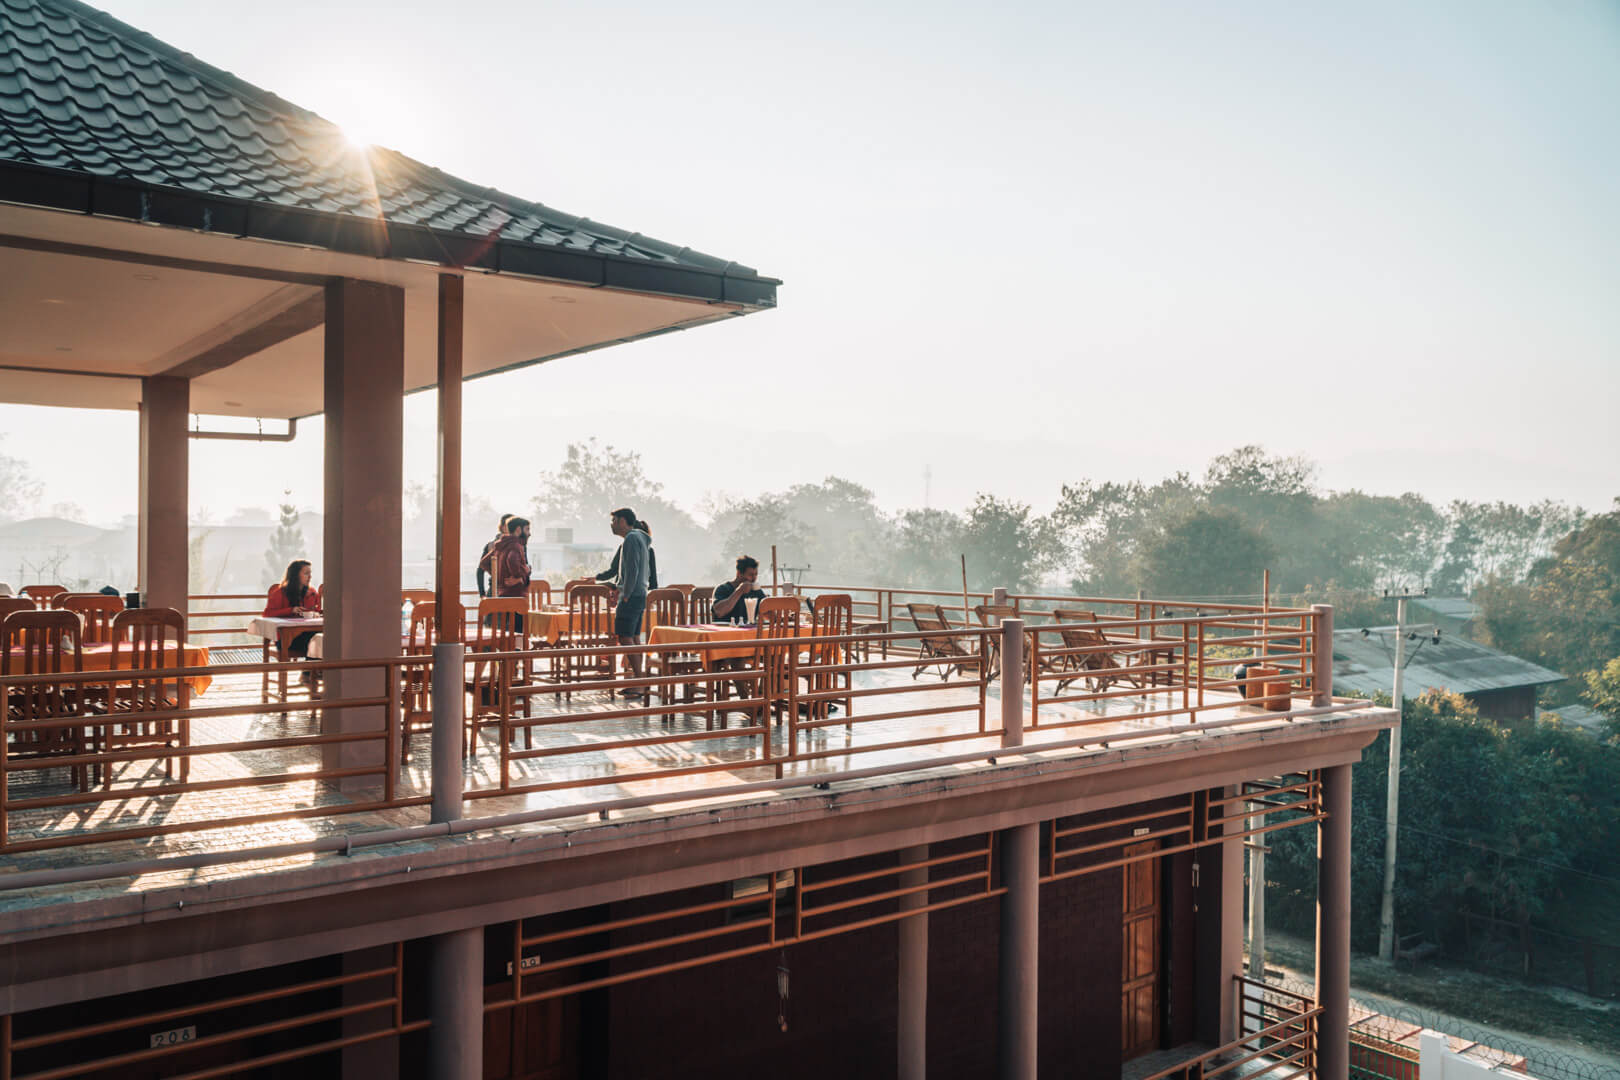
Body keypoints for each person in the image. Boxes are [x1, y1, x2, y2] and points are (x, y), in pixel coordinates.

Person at [608, 508, 650, 696]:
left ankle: (640, 681)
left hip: (632, 595)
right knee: (633, 638)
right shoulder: (640, 538)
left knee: (625, 637)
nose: (612, 524)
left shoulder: (632, 539)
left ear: (623, 521)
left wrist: (625, 594)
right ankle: (639, 680)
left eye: (614, 520)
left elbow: (632, 569)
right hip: (640, 593)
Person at [263, 559, 321, 663]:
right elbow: (267, 614)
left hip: (308, 634)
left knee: (320, 639)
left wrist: (315, 614)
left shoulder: (312, 592)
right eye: (306, 573)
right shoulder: (280, 593)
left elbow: (317, 610)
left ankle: (312, 670)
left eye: (310, 573)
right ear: (295, 575)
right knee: (315, 641)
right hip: (286, 638)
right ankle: (310, 670)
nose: (310, 577)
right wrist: (290, 610)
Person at [596, 519, 658, 592]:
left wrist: (596, 578)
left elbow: (613, 571)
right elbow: (653, 582)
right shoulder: (649, 550)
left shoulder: (624, 547)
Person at [478, 517, 532, 599]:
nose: (529, 533)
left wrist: (499, 577)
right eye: (527, 529)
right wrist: (524, 572)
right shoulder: (516, 545)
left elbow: (484, 563)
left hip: (501, 595)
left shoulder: (500, 546)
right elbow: (512, 560)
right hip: (516, 597)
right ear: (518, 530)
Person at [711, 555, 767, 624]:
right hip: (726, 629)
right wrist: (740, 591)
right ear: (739, 573)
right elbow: (719, 612)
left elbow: (768, 614)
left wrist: (769, 603)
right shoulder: (723, 589)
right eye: (750, 575)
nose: (754, 578)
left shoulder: (756, 591)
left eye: (756, 574)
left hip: (750, 629)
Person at [477, 513, 514, 598]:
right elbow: (480, 571)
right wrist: (482, 594)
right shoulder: (491, 546)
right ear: (503, 527)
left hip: (513, 592)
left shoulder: (520, 545)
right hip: (496, 591)